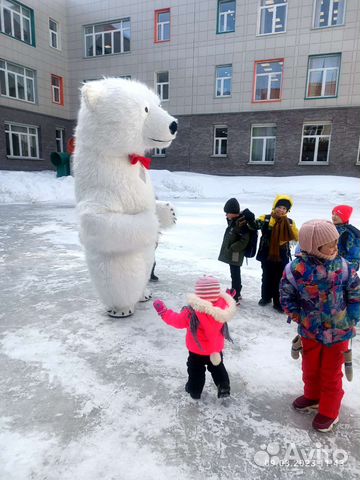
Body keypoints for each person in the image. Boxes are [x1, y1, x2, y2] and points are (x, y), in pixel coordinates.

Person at [280, 220, 360, 432]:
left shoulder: (344, 267)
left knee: (331, 373)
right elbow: (287, 296)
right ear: (313, 246)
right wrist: (299, 316)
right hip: (310, 331)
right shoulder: (296, 269)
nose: (335, 246)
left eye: (336, 242)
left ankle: (329, 410)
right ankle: (313, 395)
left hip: (339, 332)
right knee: (310, 368)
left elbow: (356, 294)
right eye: (330, 243)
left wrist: (352, 316)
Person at [153, 275, 236, 400]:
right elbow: (225, 300)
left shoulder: (191, 312)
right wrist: (229, 294)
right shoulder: (223, 308)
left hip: (197, 350)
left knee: (195, 371)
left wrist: (164, 312)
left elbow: (176, 321)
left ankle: (194, 390)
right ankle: (223, 386)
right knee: (218, 367)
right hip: (215, 349)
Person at [256, 195, 299, 313]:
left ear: (287, 211)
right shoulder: (265, 218)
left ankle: (278, 302)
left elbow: (297, 236)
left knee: (279, 279)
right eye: (279, 207)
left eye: (284, 208)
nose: (281, 210)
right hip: (266, 254)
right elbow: (254, 225)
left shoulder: (290, 222)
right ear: (275, 206)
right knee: (266, 277)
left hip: (282, 255)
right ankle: (265, 297)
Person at [218, 198, 256, 304]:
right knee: (234, 272)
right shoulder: (235, 220)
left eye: (227, 213)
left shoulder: (241, 223)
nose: (226, 215)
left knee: (235, 273)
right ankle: (236, 292)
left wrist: (232, 248)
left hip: (236, 253)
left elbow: (244, 239)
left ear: (233, 213)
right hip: (234, 252)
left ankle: (235, 296)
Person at [332, 205, 360, 271]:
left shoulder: (350, 234)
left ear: (345, 216)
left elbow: (354, 260)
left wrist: (341, 269)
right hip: (329, 267)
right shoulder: (331, 228)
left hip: (341, 271)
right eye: (333, 214)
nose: (334, 216)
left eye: (338, 214)